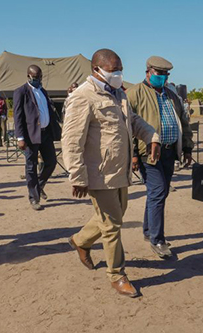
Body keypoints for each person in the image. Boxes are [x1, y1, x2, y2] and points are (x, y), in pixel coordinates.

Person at [62, 49, 160, 297]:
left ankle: (81, 241)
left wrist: (152, 136)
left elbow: (134, 121)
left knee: (114, 217)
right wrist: (78, 176)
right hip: (99, 174)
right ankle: (117, 274)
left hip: (120, 171)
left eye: (120, 69)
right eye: (113, 70)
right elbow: (71, 141)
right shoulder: (82, 97)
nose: (118, 74)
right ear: (96, 70)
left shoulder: (118, 95)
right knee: (112, 225)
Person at [127, 56, 193, 259]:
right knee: (158, 191)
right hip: (149, 153)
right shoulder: (134, 94)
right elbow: (128, 128)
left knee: (159, 193)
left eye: (166, 74)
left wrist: (188, 147)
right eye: (159, 73)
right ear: (148, 72)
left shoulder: (171, 94)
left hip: (169, 151)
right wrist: (134, 155)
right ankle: (158, 239)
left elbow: (184, 120)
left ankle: (149, 231)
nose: (163, 77)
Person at [13, 65, 59, 211]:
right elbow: (18, 116)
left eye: (40, 77)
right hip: (30, 135)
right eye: (35, 77)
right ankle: (34, 198)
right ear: (28, 76)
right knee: (31, 166)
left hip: (45, 133)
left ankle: (38, 185)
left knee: (51, 162)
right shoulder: (21, 92)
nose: (38, 80)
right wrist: (20, 137)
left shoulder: (43, 91)